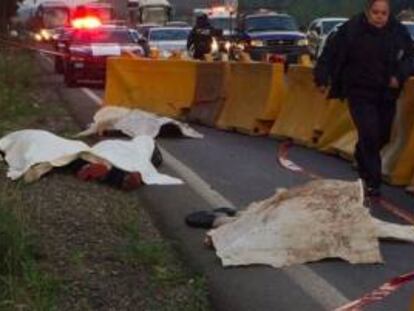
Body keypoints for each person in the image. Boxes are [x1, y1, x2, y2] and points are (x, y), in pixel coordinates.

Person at [314, 0, 414, 197]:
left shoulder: (398, 32)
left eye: (383, 13)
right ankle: (372, 180)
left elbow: (411, 57)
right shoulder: (351, 30)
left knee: (382, 135)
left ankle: (361, 155)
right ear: (368, 12)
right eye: (375, 12)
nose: (379, 17)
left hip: (386, 93)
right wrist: (322, 77)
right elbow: (329, 54)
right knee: (369, 132)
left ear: (388, 14)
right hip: (358, 91)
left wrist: (399, 75)